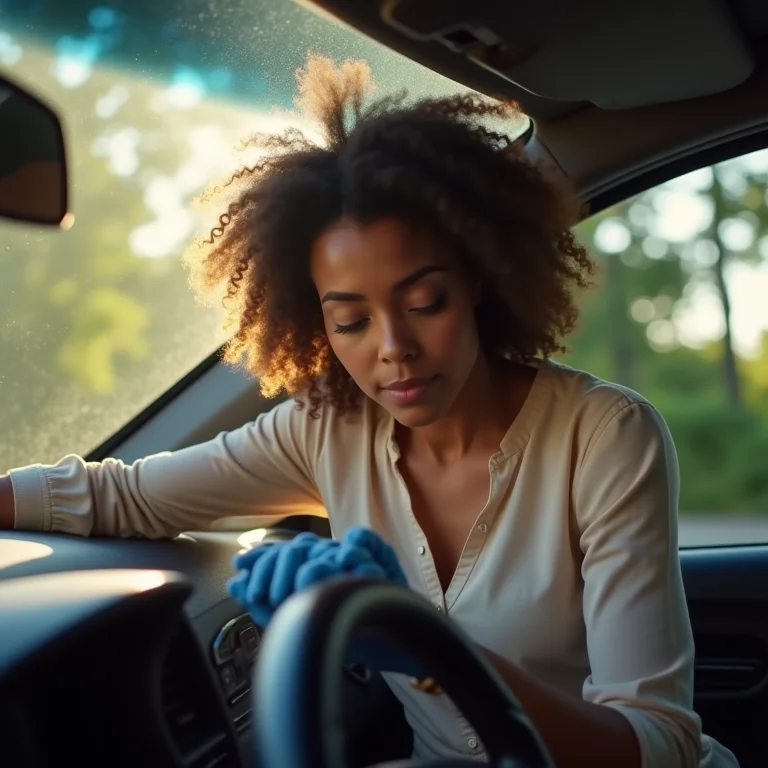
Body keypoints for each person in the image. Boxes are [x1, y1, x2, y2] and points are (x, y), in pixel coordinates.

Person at [0, 54, 737, 768]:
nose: (395, 349)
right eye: (350, 322)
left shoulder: (605, 436)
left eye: (425, 303)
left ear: (480, 278)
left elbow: (656, 747)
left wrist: (420, 649)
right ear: (313, 323)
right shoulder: (329, 429)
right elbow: (121, 494)